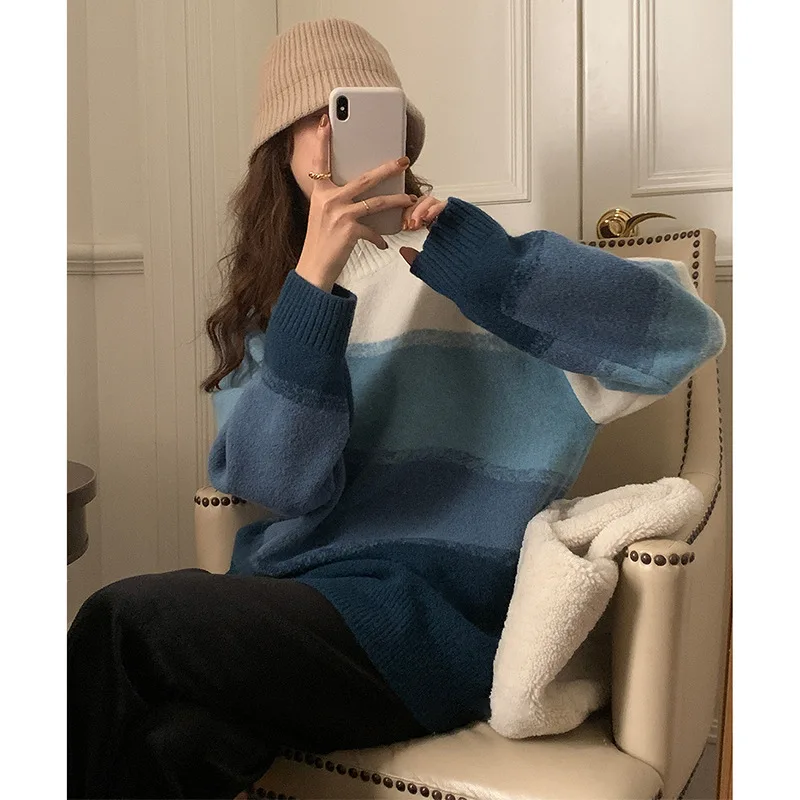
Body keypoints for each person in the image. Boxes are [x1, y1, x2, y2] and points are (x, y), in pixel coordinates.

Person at [67, 17, 726, 800]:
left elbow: (685, 334)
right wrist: (313, 284)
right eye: (309, 115)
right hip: (296, 610)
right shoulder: (274, 305)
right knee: (173, 742)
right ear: (279, 147)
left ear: (400, 136)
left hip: (428, 630)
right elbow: (278, 484)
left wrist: (483, 264)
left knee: (120, 620)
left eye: (348, 110)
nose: (329, 130)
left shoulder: (486, 276)